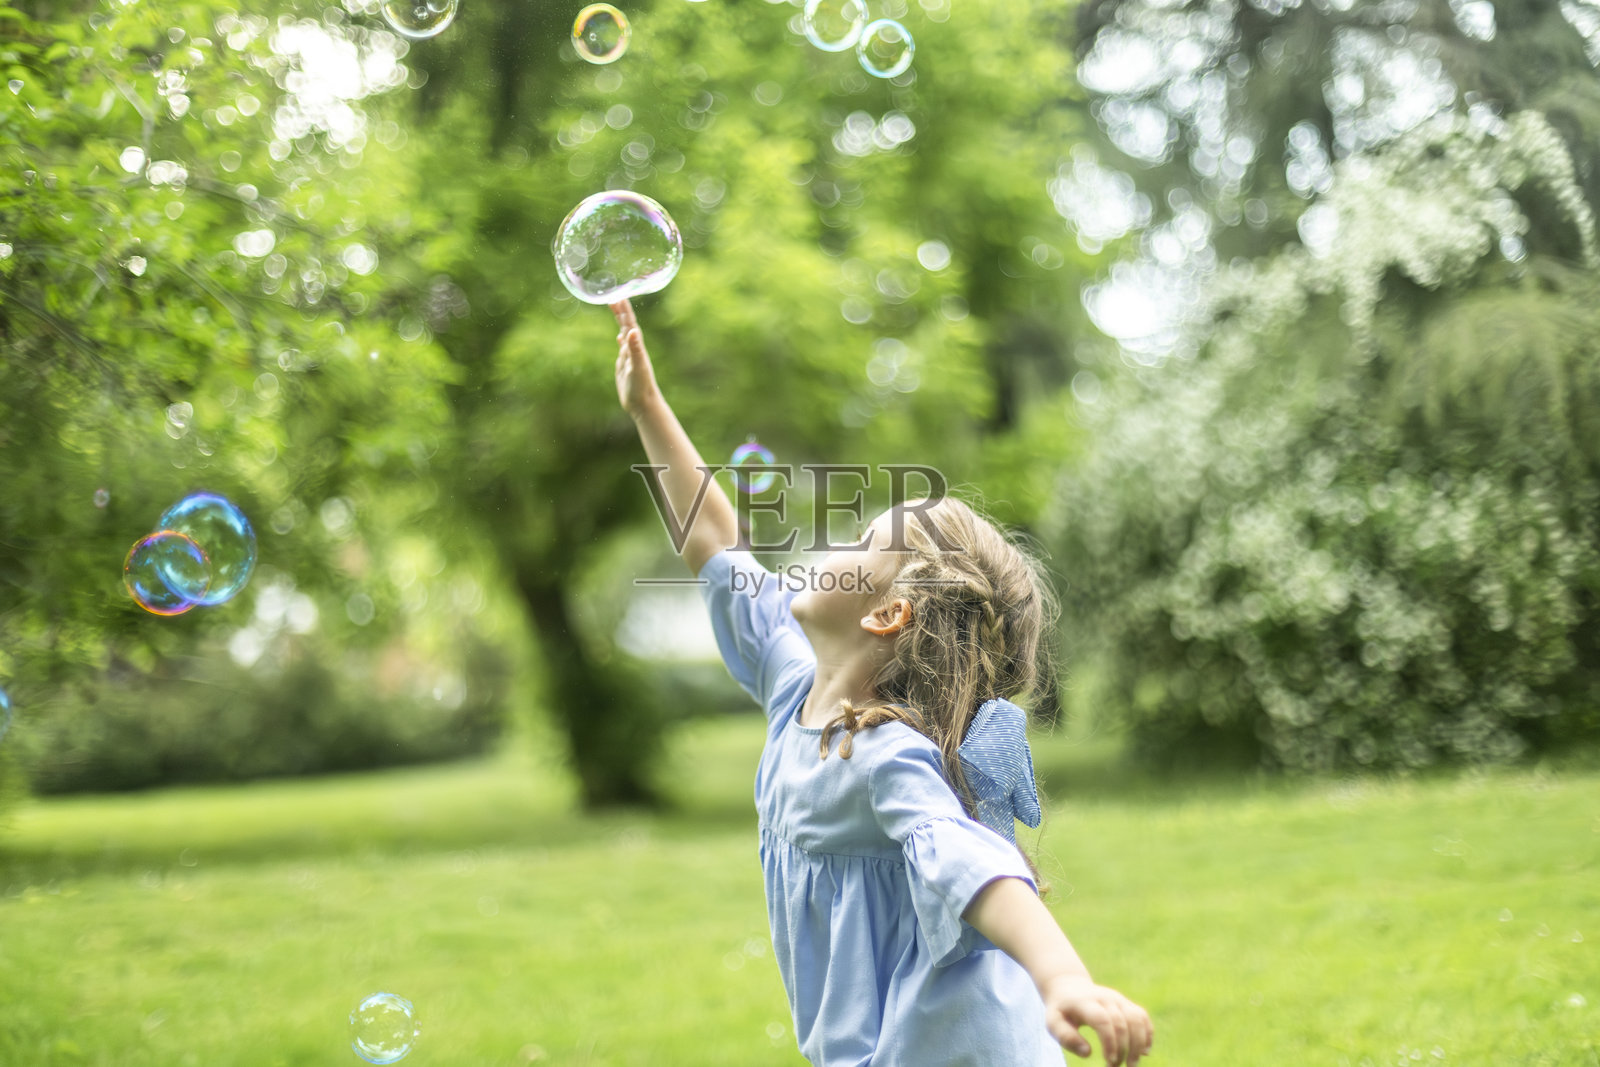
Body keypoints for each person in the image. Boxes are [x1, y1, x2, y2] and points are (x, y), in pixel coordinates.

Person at [611, 298, 1154, 1067]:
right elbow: (716, 545)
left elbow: (971, 862)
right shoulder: (791, 680)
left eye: (865, 539)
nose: (840, 537)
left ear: (889, 611)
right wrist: (649, 407)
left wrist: (1063, 976)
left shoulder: (884, 754)